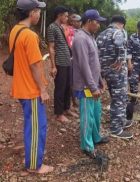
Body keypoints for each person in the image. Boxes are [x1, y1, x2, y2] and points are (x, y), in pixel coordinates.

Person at [11, 0, 53, 174]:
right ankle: (34, 165)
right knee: (37, 127)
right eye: (38, 11)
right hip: (31, 90)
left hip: (21, 86)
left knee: (31, 124)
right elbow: (36, 65)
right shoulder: (29, 35)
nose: (39, 14)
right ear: (31, 13)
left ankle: (31, 156)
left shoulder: (15, 30)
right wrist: (42, 90)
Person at [72, 9, 109, 157]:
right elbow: (84, 65)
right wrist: (93, 87)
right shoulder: (81, 39)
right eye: (97, 22)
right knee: (87, 116)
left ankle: (95, 137)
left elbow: (95, 63)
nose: (99, 25)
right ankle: (87, 146)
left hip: (94, 84)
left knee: (96, 112)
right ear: (89, 22)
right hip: (85, 86)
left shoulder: (91, 37)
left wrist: (100, 80)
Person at [96, 15, 133, 139]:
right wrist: (120, 60)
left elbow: (97, 52)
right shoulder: (118, 32)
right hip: (117, 72)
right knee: (119, 99)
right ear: (122, 24)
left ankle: (121, 119)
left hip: (105, 71)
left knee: (115, 96)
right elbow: (120, 45)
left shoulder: (101, 34)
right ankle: (116, 129)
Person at [47, 6, 78, 122]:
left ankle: (67, 108)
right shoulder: (52, 27)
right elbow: (51, 48)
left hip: (67, 61)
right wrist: (53, 66)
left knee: (67, 87)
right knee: (60, 88)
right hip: (60, 62)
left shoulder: (61, 27)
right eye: (65, 15)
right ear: (59, 15)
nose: (66, 17)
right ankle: (59, 113)